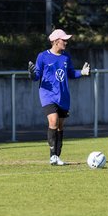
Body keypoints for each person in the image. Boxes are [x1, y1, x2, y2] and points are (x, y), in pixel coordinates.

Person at [28, 29, 90, 166]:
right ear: (56, 41)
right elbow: (36, 76)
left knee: (60, 126)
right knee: (53, 121)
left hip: (63, 96)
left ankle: (56, 156)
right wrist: (32, 75)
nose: (66, 42)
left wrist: (83, 72)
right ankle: (52, 156)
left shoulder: (66, 57)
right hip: (47, 95)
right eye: (64, 40)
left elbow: (71, 73)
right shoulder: (43, 56)